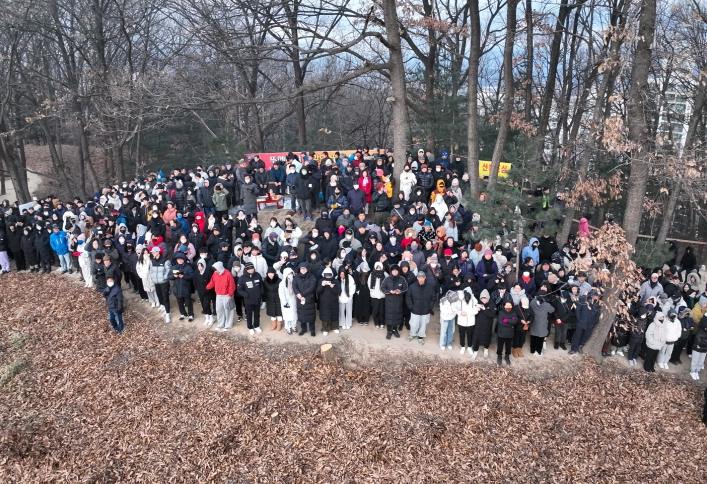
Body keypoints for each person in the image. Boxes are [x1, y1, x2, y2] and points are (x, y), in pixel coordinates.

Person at [406, 270, 437, 345]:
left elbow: (433, 298)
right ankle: (412, 334)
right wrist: (411, 307)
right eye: (419, 277)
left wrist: (429, 307)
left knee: (423, 324)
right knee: (414, 324)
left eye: (422, 277)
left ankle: (421, 336)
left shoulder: (430, 287)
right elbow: (408, 297)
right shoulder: (412, 286)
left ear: (425, 278)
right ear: (417, 278)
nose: (421, 279)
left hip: (425, 310)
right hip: (415, 310)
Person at [206, 261, 236, 331]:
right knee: (219, 310)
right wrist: (207, 287)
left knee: (228, 311)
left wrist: (230, 295)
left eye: (216, 270)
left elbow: (232, 285)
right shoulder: (215, 274)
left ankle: (228, 325)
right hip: (218, 295)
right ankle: (220, 324)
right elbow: (212, 282)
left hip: (227, 295)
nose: (215, 271)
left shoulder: (228, 274)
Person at [569, 290, 601, 354]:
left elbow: (598, 313)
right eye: (597, 295)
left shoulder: (597, 303)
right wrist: (579, 319)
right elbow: (577, 310)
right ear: (592, 295)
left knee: (586, 336)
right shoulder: (583, 300)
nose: (598, 297)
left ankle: (580, 347)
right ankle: (573, 349)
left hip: (591, 323)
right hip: (581, 321)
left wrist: (595, 321)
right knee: (577, 335)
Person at [381, 264, 408, 339]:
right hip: (389, 302)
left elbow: (406, 288)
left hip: (398, 301)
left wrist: (400, 291)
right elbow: (382, 288)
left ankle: (395, 330)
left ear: (398, 271)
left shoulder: (402, 279)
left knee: (397, 316)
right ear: (391, 271)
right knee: (389, 316)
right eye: (393, 270)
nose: (395, 272)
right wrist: (389, 291)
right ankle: (389, 331)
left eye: (396, 270)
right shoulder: (387, 279)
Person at [238, 261, 264, 334]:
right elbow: (239, 289)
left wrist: (261, 292)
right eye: (249, 269)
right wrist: (246, 295)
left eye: (252, 268)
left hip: (257, 299)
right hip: (248, 300)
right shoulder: (242, 278)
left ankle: (257, 326)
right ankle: (250, 327)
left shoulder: (257, 275)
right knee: (249, 315)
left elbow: (261, 284)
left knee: (257, 314)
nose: (251, 270)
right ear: (246, 269)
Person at [168, 253, 194, 321]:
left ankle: (191, 314)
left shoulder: (188, 267)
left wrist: (184, 276)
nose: (180, 261)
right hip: (177, 288)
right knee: (180, 303)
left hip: (186, 288)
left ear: (184, 260)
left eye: (181, 259)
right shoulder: (173, 267)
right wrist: (174, 276)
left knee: (188, 303)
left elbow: (192, 276)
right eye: (178, 259)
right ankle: (183, 314)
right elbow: (169, 276)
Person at [293, 263, 317, 336]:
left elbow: (311, 287)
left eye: (304, 268)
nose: (303, 270)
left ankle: (312, 330)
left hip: (309, 298)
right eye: (301, 268)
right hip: (300, 299)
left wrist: (302, 294)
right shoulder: (296, 277)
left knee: (311, 315)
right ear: (299, 269)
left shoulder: (312, 277)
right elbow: (294, 286)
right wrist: (298, 294)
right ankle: (303, 329)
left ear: (307, 269)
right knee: (301, 315)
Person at [150, 246, 172, 323]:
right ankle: (164, 308)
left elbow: (168, 270)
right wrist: (153, 277)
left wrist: (164, 277)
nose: (152, 253)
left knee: (165, 298)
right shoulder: (153, 261)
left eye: (153, 252)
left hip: (164, 282)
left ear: (158, 252)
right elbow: (151, 270)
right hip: (156, 282)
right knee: (160, 296)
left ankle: (168, 313)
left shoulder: (165, 260)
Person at [317, 267, 341, 335]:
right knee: (325, 316)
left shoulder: (335, 281)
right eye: (326, 275)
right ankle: (325, 329)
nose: (328, 277)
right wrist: (322, 285)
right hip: (324, 302)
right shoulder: (321, 281)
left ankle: (335, 327)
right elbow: (317, 291)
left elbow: (339, 291)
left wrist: (333, 287)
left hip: (334, 301)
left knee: (334, 314)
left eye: (329, 275)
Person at [497, 300, 520, 366]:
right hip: (501, 332)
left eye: (510, 305)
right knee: (500, 345)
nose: (508, 307)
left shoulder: (514, 312)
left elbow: (515, 321)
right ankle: (499, 356)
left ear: (512, 306)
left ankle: (507, 356)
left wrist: (506, 320)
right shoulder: (501, 312)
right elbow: (500, 322)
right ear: (504, 306)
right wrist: (510, 322)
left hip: (510, 333)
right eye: (507, 305)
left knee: (508, 346)